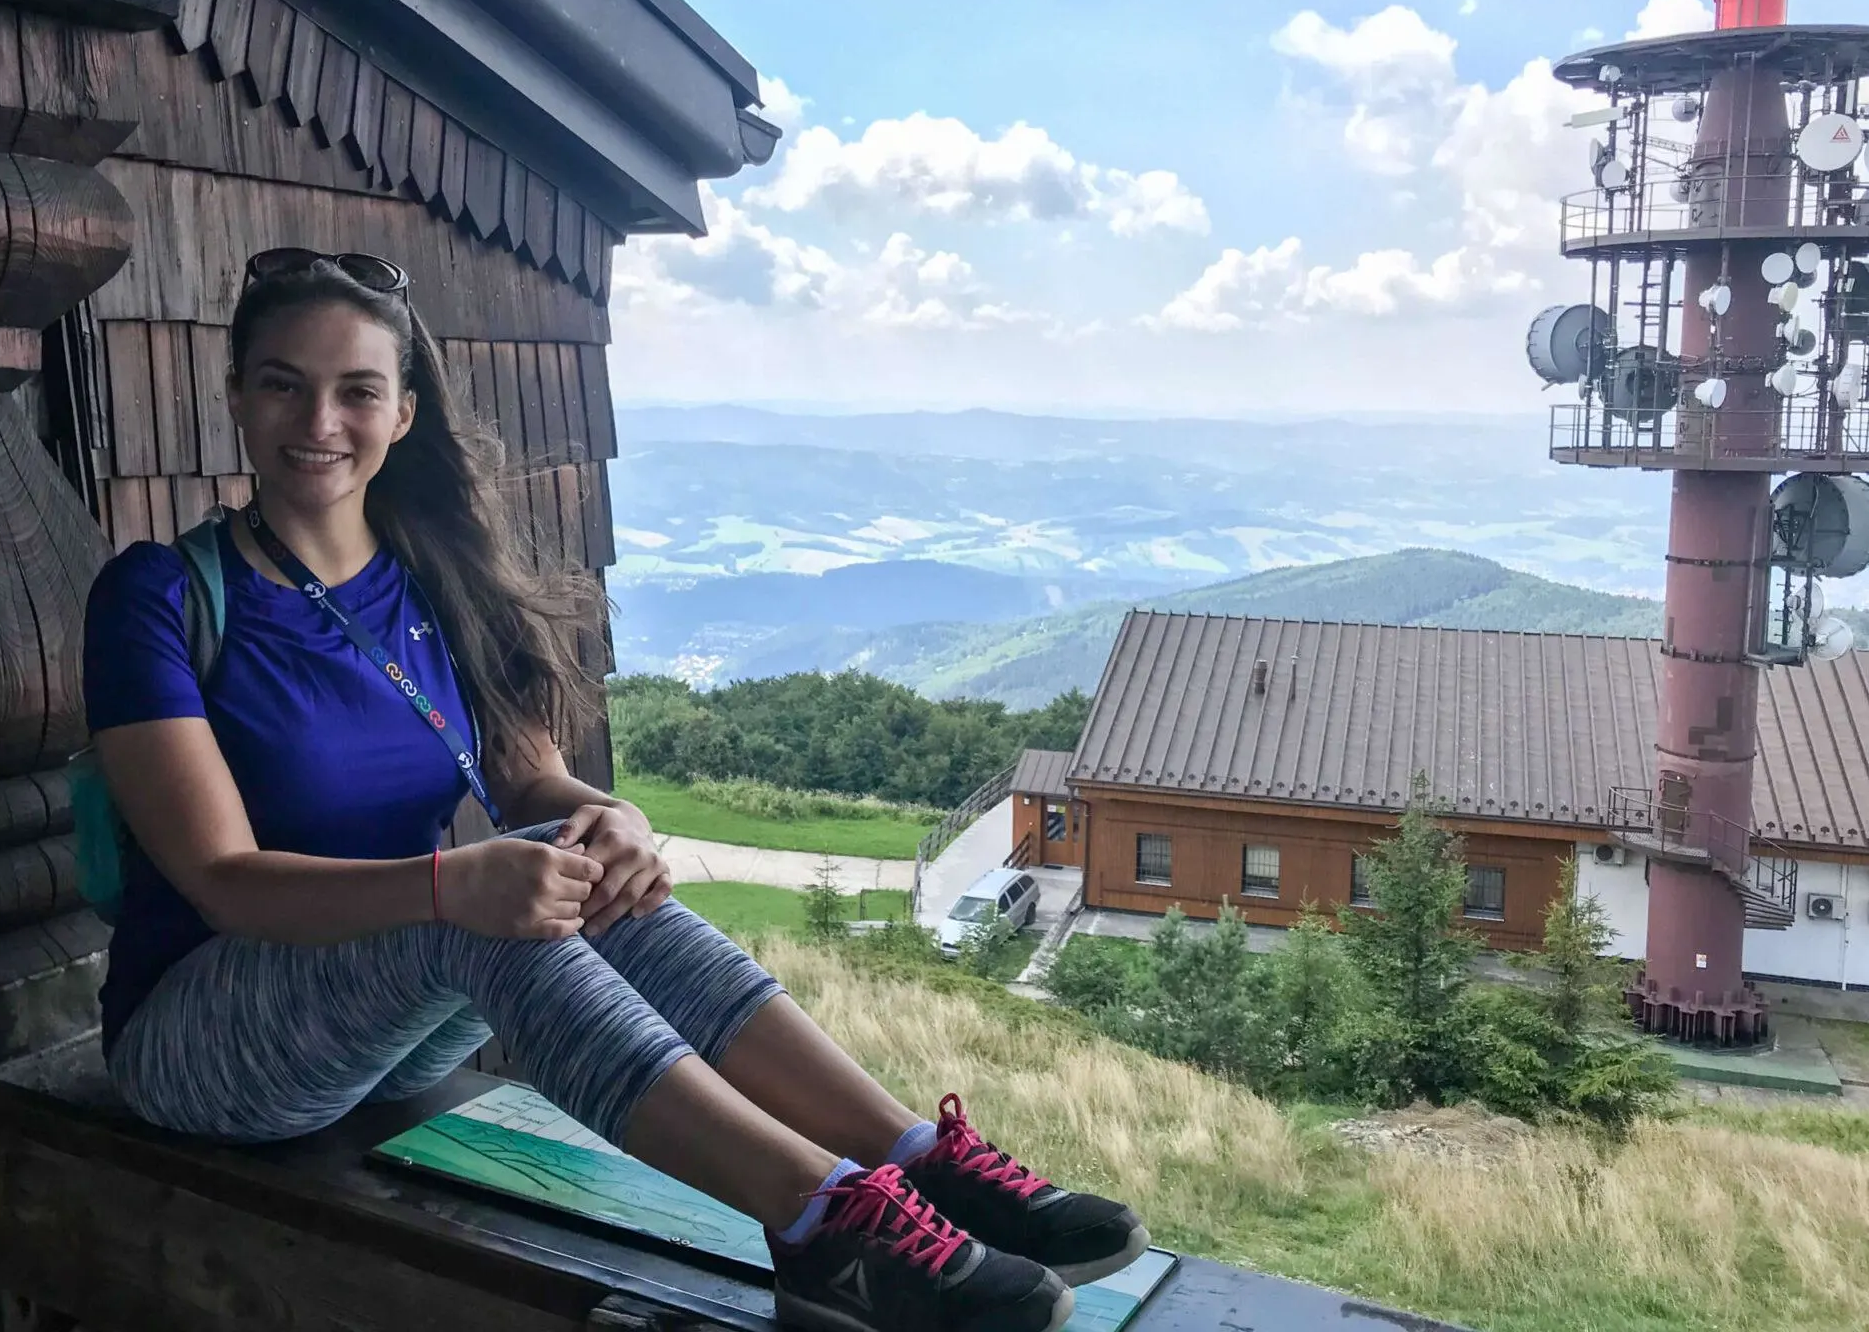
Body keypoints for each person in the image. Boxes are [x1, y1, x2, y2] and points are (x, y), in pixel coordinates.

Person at [82, 249, 1148, 1332]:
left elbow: (526, 778)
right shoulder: (160, 598)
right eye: (281, 382)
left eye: (355, 389)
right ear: (235, 398)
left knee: (565, 854)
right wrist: (450, 886)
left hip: (378, 1026)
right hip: (204, 1050)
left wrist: (616, 822)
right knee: (473, 909)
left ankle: (912, 1158)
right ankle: (821, 1224)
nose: (319, 418)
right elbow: (223, 884)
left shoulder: (428, 578)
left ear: (401, 413)